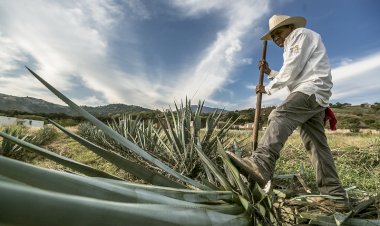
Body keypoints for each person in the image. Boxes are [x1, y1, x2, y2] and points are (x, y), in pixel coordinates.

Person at [228, 15, 350, 210]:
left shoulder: (299, 35)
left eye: (279, 32)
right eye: (273, 36)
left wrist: (267, 88)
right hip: (315, 95)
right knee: (317, 146)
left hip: (311, 90)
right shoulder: (294, 44)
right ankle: (335, 196)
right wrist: (269, 73)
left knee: (279, 115)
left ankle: (261, 163)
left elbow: (291, 70)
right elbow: (294, 73)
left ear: (290, 27)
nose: (276, 38)